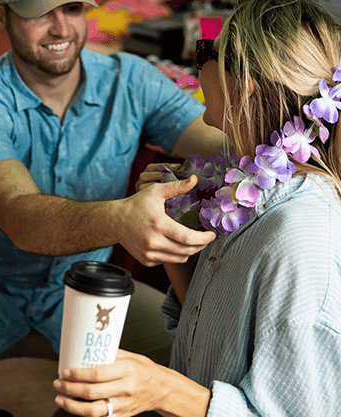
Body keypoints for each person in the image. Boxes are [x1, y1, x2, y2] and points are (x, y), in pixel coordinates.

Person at [52, 0, 341, 416]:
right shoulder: (257, 188)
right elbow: (214, 334)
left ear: (242, 86)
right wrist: (169, 229)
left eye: (207, 51)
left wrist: (161, 390)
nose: (196, 62)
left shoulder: (298, 242)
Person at [0, 0, 223, 366]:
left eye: (72, 8)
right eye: (40, 13)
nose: (61, 29)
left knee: (193, 355)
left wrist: (291, 140)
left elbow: (219, 143)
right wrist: (121, 219)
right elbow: (21, 217)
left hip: (92, 290)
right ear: (0, 14)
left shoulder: (130, 80)